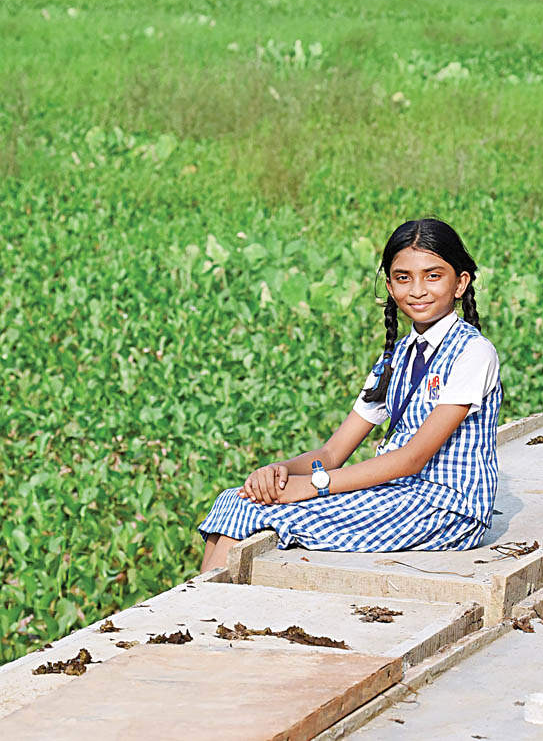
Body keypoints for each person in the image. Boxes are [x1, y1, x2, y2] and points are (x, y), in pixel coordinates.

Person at [198, 218, 502, 572]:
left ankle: (202, 616)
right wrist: (278, 472)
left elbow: (411, 460)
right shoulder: (397, 355)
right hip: (398, 495)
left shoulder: (474, 352)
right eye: (404, 278)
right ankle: (197, 610)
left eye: (433, 276)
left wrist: (311, 486)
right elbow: (331, 453)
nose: (418, 289)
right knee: (236, 499)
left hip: (447, 508)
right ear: (389, 286)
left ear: (460, 283)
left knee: (253, 509)